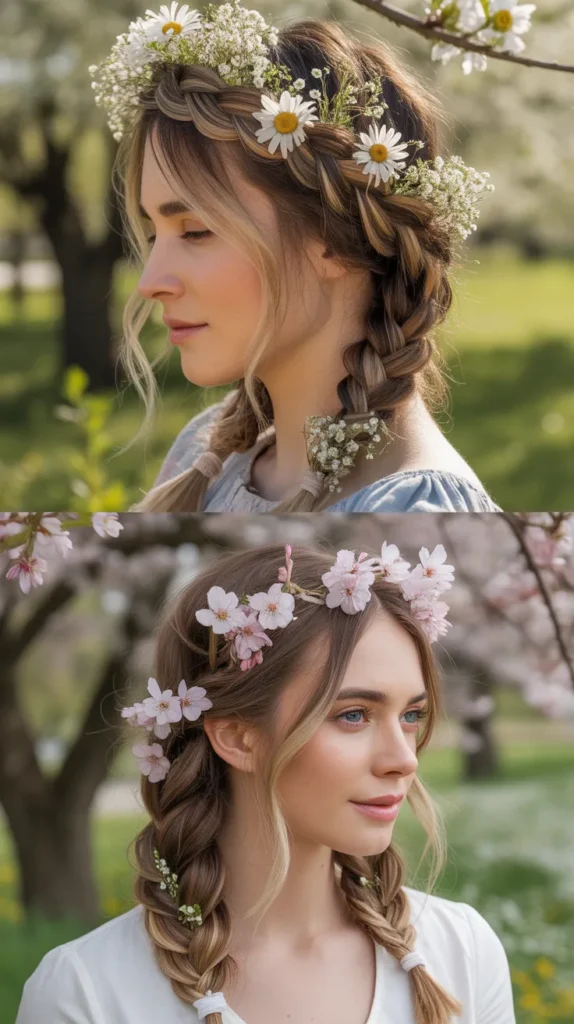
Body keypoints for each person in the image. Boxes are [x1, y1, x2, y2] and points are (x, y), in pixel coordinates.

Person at [16, 543, 515, 1024]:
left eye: (411, 715)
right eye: (354, 715)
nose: (404, 760)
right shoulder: (86, 992)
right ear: (238, 737)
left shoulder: (462, 951)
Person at [89, 2, 499, 514]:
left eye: (195, 231)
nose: (150, 282)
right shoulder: (205, 453)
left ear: (334, 237)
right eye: (154, 236)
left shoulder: (417, 513)